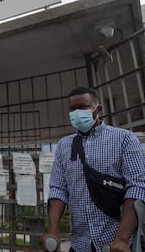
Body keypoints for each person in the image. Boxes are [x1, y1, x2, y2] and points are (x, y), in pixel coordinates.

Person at [40, 86, 145, 252]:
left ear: (98, 109)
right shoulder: (64, 145)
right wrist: (52, 231)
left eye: (83, 107)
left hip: (117, 245)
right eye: (72, 109)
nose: (77, 113)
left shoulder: (124, 138)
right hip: (80, 245)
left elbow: (137, 187)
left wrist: (122, 238)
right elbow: (58, 189)